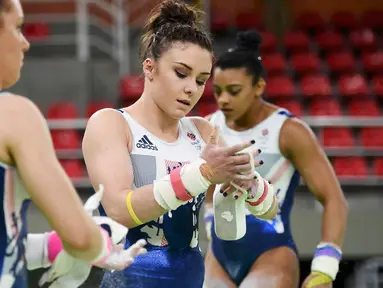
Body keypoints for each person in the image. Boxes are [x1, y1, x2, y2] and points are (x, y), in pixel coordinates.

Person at [82, 1, 276, 287]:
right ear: (150, 67)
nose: (191, 89)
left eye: (201, 80)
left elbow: (270, 210)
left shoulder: (202, 131)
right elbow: (119, 210)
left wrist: (251, 185)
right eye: (181, 74)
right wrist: (202, 175)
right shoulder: (112, 124)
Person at [0, 0, 146, 287]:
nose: (25, 43)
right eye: (18, 28)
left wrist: (50, 247)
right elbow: (80, 238)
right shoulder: (14, 114)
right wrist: (102, 249)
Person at [203, 30, 348, 288]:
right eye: (218, 91)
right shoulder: (208, 127)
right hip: (218, 255)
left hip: (271, 253)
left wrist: (325, 268)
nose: (223, 99)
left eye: (234, 91)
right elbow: (206, 192)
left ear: (259, 87)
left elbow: (334, 199)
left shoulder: (289, 131)